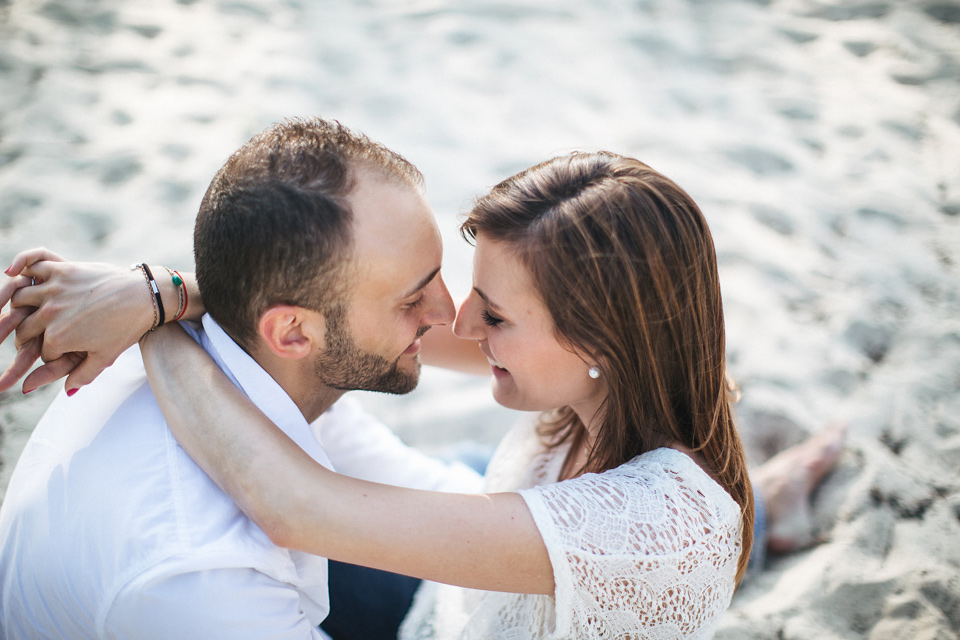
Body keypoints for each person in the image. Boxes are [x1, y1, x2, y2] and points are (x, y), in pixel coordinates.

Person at [0, 142, 845, 638]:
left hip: (507, 566)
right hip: (463, 577)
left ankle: (771, 502)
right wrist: (170, 296)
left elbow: (295, 506)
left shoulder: (661, 527)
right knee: (458, 462)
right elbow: (308, 307)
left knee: (696, 541)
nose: (459, 322)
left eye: (495, 315)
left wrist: (157, 307)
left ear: (599, 342)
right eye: (463, 291)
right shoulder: (613, 375)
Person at [0, 117, 488, 639]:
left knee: (487, 471)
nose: (449, 314)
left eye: (440, 275)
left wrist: (162, 293)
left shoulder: (255, 356)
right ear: (291, 332)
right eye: (412, 298)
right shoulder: (200, 576)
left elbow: (418, 488)